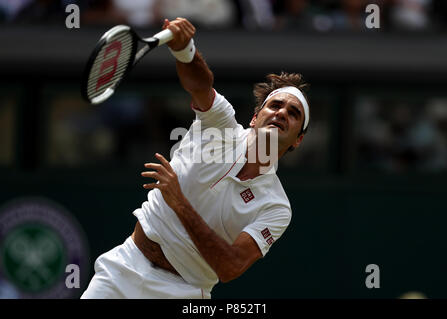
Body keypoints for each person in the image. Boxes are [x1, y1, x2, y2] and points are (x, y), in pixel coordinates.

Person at [81, 17, 310, 299]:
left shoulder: (276, 207)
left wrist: (180, 204)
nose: (282, 113)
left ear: (298, 139)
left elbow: (231, 267)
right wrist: (184, 51)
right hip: (124, 268)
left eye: (293, 113)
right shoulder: (221, 124)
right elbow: (200, 84)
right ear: (254, 117)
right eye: (275, 105)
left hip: (184, 293)